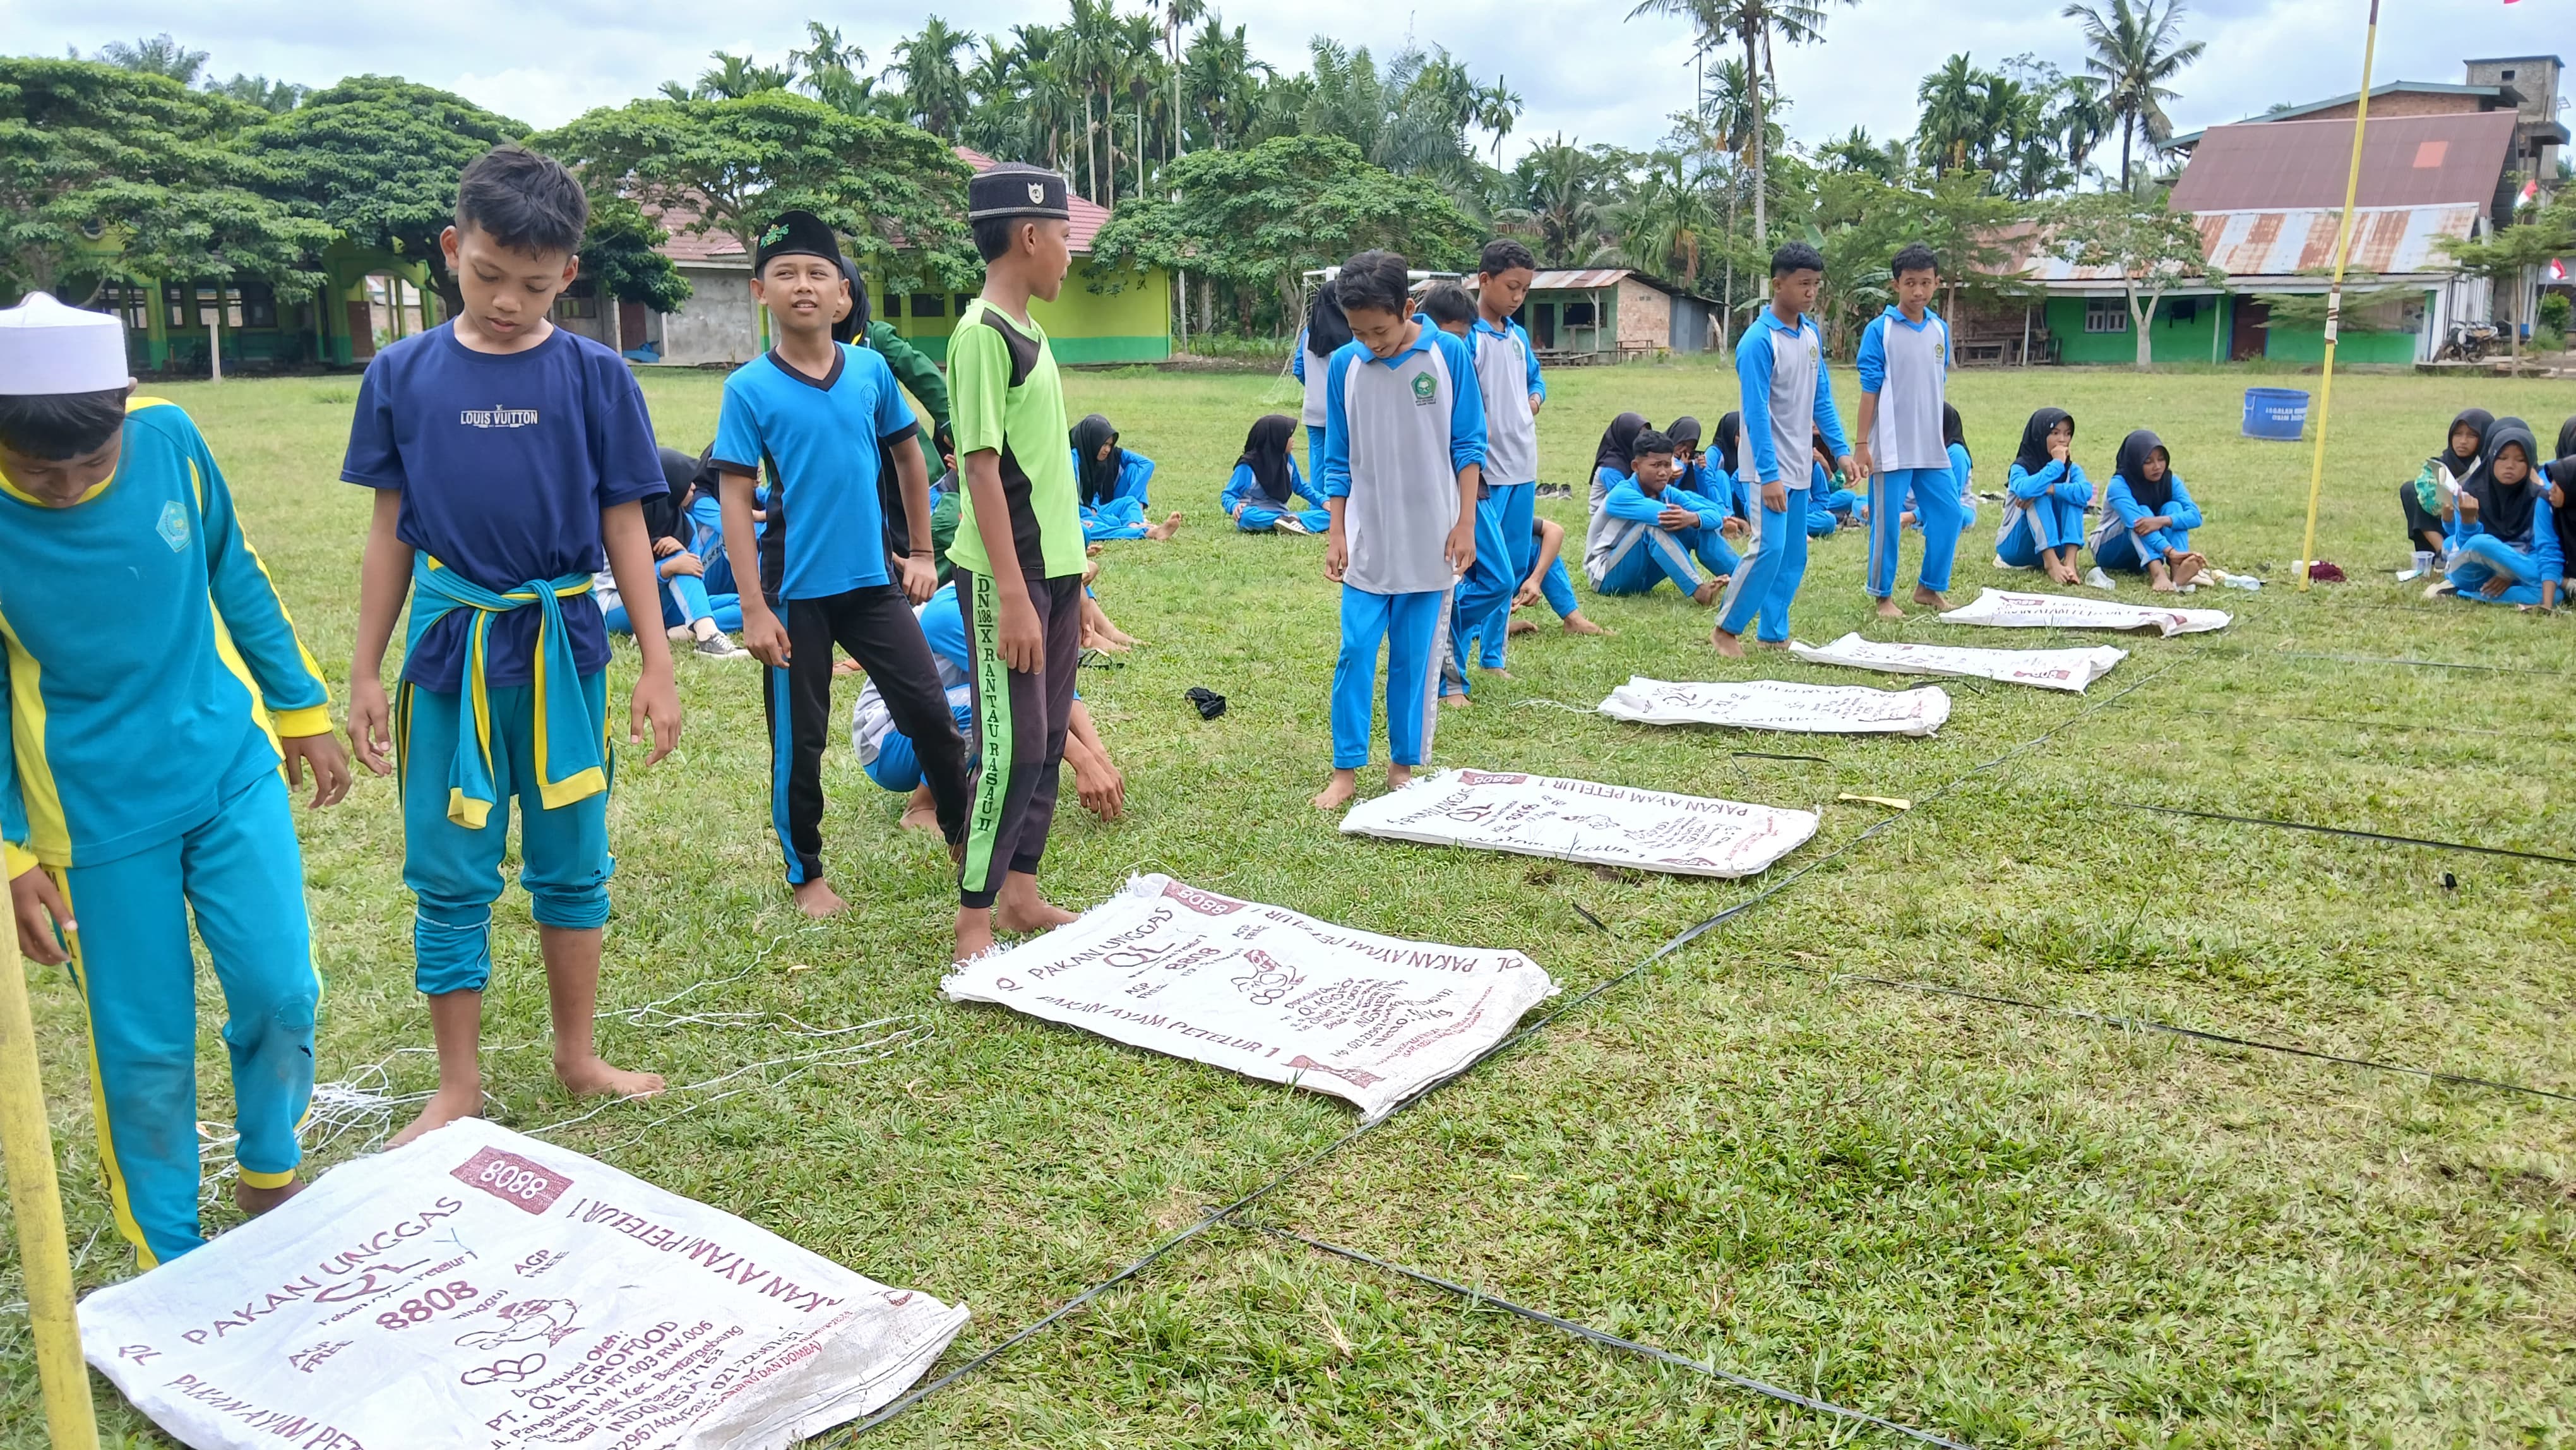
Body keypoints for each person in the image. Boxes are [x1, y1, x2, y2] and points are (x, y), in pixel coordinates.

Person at [340, 145, 680, 1146]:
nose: (506, 300)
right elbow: (386, 532)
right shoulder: (400, 375)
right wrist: (365, 668)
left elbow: (628, 525)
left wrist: (657, 664)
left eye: (533, 285)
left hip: (565, 650)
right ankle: (458, 1083)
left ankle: (577, 1056)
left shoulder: (597, 374)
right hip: (450, 652)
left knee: (574, 857)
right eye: (488, 275)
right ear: (453, 249)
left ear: (568, 275)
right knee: (450, 867)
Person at [1, 293, 350, 1267]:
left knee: (283, 991)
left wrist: (302, 710)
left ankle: (271, 1169)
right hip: (93, 820)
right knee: (144, 1048)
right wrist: (12, 851)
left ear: (124, 411)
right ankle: (167, 1252)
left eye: (92, 464)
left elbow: (235, 570)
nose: (68, 486)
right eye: (40, 471)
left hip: (226, 767)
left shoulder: (171, 439)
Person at [709, 210, 973, 921]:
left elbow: (910, 458)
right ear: (761, 291)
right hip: (794, 592)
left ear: (842, 297)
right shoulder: (749, 389)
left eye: (818, 274)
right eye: (786, 274)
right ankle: (807, 875)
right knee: (799, 742)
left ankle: (965, 841)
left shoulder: (870, 370)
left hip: (873, 585)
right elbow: (736, 498)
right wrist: (754, 607)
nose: (803, 286)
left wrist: (923, 553)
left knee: (932, 717)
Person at [949, 164, 1091, 958]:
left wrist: (1075, 578)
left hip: (1058, 570)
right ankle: (974, 915)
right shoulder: (981, 335)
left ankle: (1022, 896)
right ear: (1029, 236)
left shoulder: (1032, 332)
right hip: (1013, 576)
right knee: (1009, 744)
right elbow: (980, 467)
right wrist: (1009, 592)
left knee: (1043, 740)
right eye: (1066, 239)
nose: (1069, 256)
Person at [1313, 248, 1485, 810]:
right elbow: (1337, 459)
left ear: (1407, 308)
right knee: (1355, 652)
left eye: (1380, 330)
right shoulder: (1345, 365)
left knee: (1415, 660)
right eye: (1359, 332)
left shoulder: (1449, 354)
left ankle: (1401, 767)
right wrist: (1337, 531)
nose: (1371, 342)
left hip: (1431, 540)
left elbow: (1467, 446)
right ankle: (1345, 770)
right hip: (1368, 540)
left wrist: (1466, 523)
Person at [854, 580, 1126, 829]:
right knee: (990, 702)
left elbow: (1053, 686)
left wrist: (1098, 755)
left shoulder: (1018, 601)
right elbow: (1014, 698)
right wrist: (1083, 762)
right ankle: (924, 807)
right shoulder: (949, 612)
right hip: (887, 743)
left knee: (1001, 698)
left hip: (927, 727)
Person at [1714, 243, 1856, 658]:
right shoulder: (1758, 342)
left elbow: (1822, 399)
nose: (1811, 292)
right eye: (1803, 284)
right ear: (1778, 285)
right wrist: (1770, 475)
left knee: (1793, 555)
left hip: (1798, 464)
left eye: (1816, 285)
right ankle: (1726, 628)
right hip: (1767, 471)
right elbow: (1754, 415)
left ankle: (1774, 631)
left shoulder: (1810, 335)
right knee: (1768, 548)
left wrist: (1842, 451)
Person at [1449, 241, 1547, 688]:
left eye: (1525, 290)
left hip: (1522, 465)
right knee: (1485, 571)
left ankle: (1493, 655)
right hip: (1486, 473)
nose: (1517, 297)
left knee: (1510, 573)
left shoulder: (1517, 336)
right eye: (1511, 287)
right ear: (1483, 280)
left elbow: (1535, 377)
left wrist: (1536, 396)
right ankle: (1450, 646)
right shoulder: (1468, 338)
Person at [1853, 242, 1962, 618]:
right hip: (1890, 447)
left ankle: (1929, 588)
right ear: (1895, 284)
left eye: (1926, 283)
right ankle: (1883, 596)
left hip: (1932, 446)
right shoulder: (1878, 331)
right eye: (1911, 283)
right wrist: (1862, 443)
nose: (1918, 292)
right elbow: (1870, 389)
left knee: (1950, 513)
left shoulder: (1939, 329)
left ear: (1937, 284)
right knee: (1886, 524)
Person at [598, 445, 748, 656]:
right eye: (686, 482)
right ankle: (708, 638)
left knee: (745, 607)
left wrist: (681, 556)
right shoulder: (627, 524)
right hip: (615, 605)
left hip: (663, 604)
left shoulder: (684, 523)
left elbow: (696, 581)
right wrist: (667, 568)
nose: (694, 487)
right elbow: (625, 583)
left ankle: (681, 632)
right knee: (680, 561)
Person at [1587, 428, 1736, 605]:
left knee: (1697, 524)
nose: (1663, 472)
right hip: (1606, 575)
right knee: (1649, 528)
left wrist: (1695, 519)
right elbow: (1666, 517)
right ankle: (1700, 591)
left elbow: (1715, 516)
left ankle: (1745, 578)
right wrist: (1692, 518)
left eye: (1667, 464)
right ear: (1636, 466)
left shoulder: (1668, 492)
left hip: (1642, 578)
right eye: (1655, 465)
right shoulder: (1621, 495)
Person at [2442, 416, 2560, 607]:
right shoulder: (2469, 492)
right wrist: (2469, 521)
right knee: (2479, 542)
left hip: (2517, 569)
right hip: (2472, 572)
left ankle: (2465, 595)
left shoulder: (2539, 497)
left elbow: (2542, 548)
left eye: (2520, 460)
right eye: (2502, 458)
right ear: (2491, 458)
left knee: (2555, 596)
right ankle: (2471, 587)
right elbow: (2467, 549)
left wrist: (2507, 572)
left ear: (2530, 463)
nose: (2510, 466)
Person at [2091, 429, 2205, 590]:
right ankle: (2158, 574)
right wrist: (2170, 551)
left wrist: (2162, 521)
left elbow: (2195, 516)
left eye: (2161, 459)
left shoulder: (2170, 480)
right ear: (2135, 461)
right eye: (2148, 462)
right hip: (2109, 550)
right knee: (2142, 516)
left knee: (2174, 508)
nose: (2157, 467)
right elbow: (2138, 524)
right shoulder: (2119, 485)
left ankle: (2178, 569)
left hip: (2142, 552)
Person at [1996, 407, 2090, 584]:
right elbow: (2024, 490)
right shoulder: (2021, 467)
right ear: (2040, 435)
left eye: (2067, 434)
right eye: (2055, 433)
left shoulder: (2071, 469)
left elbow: (2086, 493)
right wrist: (2056, 464)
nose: (2063, 440)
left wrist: (2051, 488)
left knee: (2073, 495)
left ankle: (2070, 562)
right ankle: (2051, 563)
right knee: (2037, 495)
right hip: (2015, 549)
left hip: (2059, 546)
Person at [1072, 413, 1181, 543]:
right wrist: (1082, 519)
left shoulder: (1094, 460)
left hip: (1091, 511)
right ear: (1093, 441)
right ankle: (1147, 532)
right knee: (1088, 528)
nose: (1107, 450)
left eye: (1110, 445)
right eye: (1104, 444)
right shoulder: (1071, 460)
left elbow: (1093, 492)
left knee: (1128, 502)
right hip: (1073, 515)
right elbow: (1062, 500)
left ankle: (1134, 524)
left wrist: (1094, 509)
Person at [2404, 408, 2490, 562]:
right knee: (2411, 489)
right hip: (2443, 525)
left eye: (2472, 435)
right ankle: (2441, 551)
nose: (2463, 441)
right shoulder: (2443, 464)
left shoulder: (2490, 467)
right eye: (2458, 434)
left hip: (2474, 529)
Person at [1223, 413, 1331, 533]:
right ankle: (1286, 523)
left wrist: (1323, 501)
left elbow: (1301, 487)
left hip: (1283, 513)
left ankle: (1290, 521)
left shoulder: (1288, 460)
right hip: (1256, 513)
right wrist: (1233, 506)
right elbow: (1228, 494)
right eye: (1289, 436)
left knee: (1332, 515)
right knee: (1245, 517)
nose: (1293, 440)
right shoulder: (1248, 466)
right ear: (1277, 439)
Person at [1507, 515, 1612, 636]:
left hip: (1496, 585)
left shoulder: (1502, 512)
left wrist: (1535, 580)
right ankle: (1496, 626)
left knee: (1538, 544)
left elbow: (1555, 531)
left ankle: (1574, 620)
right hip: (1483, 590)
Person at [1292, 279, 1352, 469]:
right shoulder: (1351, 334)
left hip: (1314, 407)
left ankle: (1317, 500)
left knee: (1318, 462)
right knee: (1341, 463)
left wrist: (1315, 387)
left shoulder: (1308, 333)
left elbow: (1298, 368)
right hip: (1343, 408)